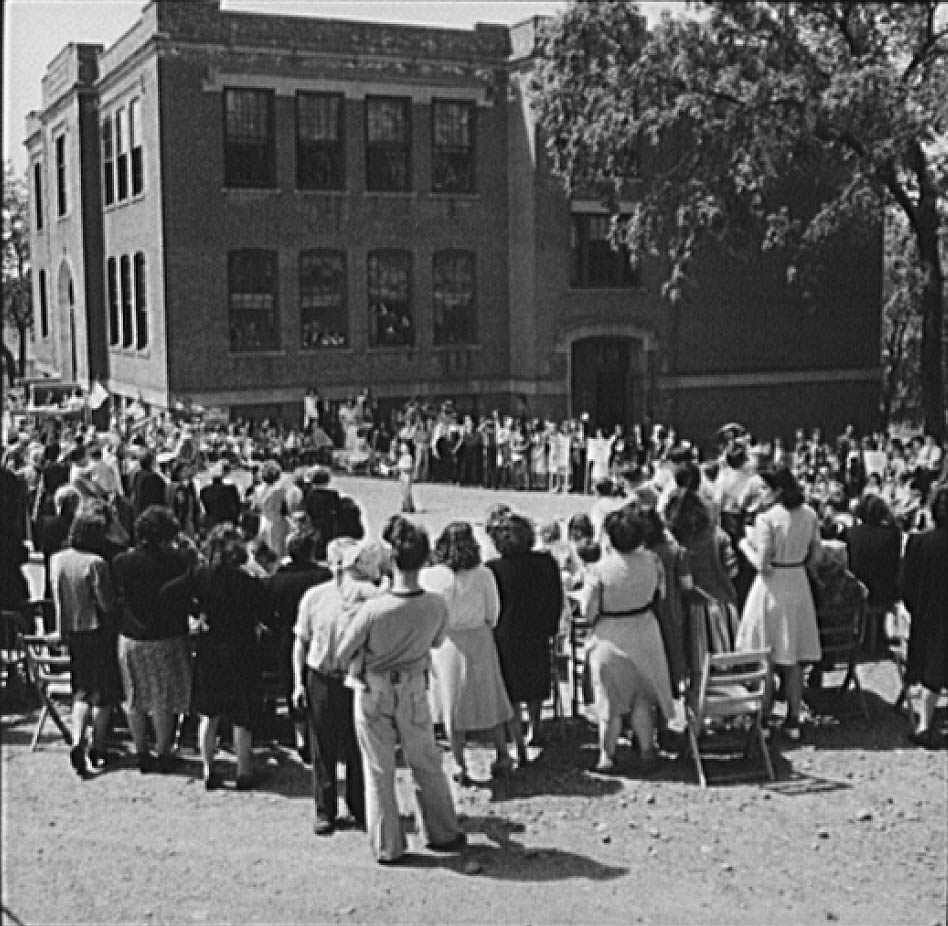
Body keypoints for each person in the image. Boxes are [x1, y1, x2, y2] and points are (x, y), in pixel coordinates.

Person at [335, 516, 465, 865]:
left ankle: (388, 845)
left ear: (391, 560)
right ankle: (442, 831)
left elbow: (341, 652)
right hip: (413, 685)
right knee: (426, 761)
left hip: (374, 687)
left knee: (378, 770)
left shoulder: (373, 609)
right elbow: (437, 642)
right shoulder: (436, 604)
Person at [163, 525, 271, 789]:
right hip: (242, 648)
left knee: (209, 715)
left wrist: (193, 614)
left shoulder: (201, 575)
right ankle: (244, 771)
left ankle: (209, 769)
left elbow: (168, 593)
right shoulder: (246, 580)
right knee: (241, 715)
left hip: (210, 647)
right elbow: (265, 609)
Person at [292, 537, 382, 835]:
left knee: (358, 746)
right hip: (321, 676)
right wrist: (297, 683)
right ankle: (325, 810)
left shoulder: (369, 598)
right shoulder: (315, 597)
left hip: (353, 679)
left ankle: (358, 806)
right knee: (322, 747)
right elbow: (301, 642)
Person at [577, 507, 677, 773]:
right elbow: (661, 593)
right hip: (645, 630)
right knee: (642, 698)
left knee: (608, 699)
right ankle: (647, 750)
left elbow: (588, 611)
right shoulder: (653, 561)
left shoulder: (598, 570)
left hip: (610, 633)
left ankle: (607, 755)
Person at [421, 522, 515, 785]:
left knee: (451, 703)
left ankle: (460, 763)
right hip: (479, 637)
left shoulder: (432, 577)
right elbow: (493, 612)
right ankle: (502, 753)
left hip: (448, 640)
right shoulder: (483, 574)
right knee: (491, 697)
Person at [736, 468, 825, 741]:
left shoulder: (767, 519)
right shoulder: (809, 514)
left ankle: (763, 719)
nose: (761, 494)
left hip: (772, 586)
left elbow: (763, 565)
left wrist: (744, 546)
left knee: (768, 654)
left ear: (777, 491)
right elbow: (817, 556)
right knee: (794, 655)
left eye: (765, 488)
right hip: (797, 582)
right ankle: (793, 719)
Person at [112, 506, 193, 772]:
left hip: (132, 635)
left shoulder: (122, 562)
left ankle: (141, 751)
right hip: (167, 634)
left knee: (134, 696)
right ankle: (163, 751)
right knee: (163, 699)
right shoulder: (177, 561)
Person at [50, 509, 124, 776]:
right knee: (103, 693)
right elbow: (107, 603)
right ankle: (98, 746)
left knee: (81, 688)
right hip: (98, 629)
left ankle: (77, 738)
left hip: (72, 630)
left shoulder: (57, 560)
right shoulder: (96, 562)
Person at [485, 512, 564, 761]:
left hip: (506, 633)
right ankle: (535, 727)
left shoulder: (494, 569)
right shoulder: (546, 562)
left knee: (511, 688)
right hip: (537, 628)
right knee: (535, 681)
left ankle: (518, 737)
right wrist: (551, 625)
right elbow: (556, 596)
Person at [266, 530, 333, 763]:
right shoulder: (324, 577)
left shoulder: (278, 579)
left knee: (292, 684)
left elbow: (266, 612)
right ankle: (318, 732)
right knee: (317, 682)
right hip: (319, 635)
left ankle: (300, 736)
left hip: (286, 635)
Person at [901, 486, 947, 747]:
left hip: (928, 612)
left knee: (928, 668)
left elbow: (906, 582)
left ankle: (925, 725)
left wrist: (913, 607)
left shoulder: (919, 542)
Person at [846, 495, 902, 655]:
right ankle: (879, 636)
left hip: (858, 588)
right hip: (885, 590)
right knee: (885, 579)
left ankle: (864, 636)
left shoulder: (851, 533)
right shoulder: (892, 534)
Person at [251, 460, 291, 559]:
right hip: (277, 520)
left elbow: (255, 507)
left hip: (263, 520)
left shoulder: (257, 489)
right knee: (278, 549)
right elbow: (285, 508)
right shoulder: (280, 490)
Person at [199, 461, 240, 531]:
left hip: (213, 524)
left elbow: (206, 510)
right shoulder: (231, 489)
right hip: (228, 523)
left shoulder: (204, 491)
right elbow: (236, 507)